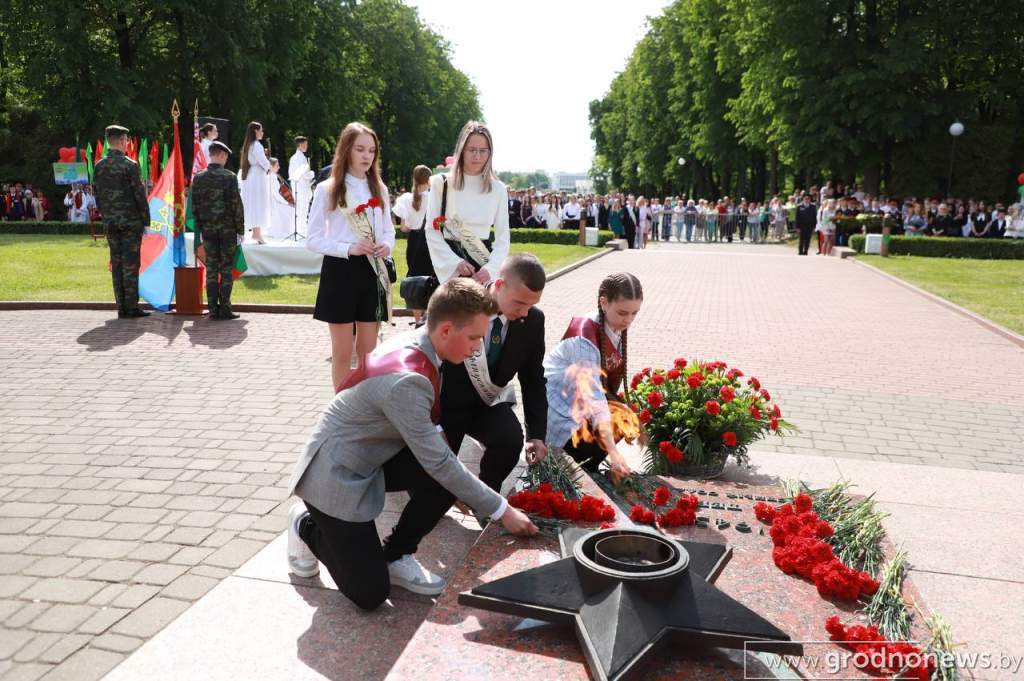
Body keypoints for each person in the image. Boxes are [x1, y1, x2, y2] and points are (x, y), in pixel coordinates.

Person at [286, 279, 538, 608]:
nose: (478, 348)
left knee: (447, 475)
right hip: (336, 473)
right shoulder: (408, 380)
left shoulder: (427, 345)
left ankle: (396, 555)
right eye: (474, 337)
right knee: (370, 594)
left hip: (373, 455)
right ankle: (305, 524)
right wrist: (503, 511)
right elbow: (439, 462)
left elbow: (439, 456)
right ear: (446, 329)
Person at [439, 254, 547, 505]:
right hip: (446, 405)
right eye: (519, 303)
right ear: (499, 286)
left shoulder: (533, 320)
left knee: (509, 438)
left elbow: (533, 379)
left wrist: (537, 434)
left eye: (531, 305)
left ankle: (485, 499)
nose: (523, 312)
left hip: (486, 402)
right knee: (435, 494)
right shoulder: (457, 305)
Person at [307, 122, 395, 390]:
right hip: (340, 272)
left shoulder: (379, 189)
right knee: (343, 352)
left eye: (371, 150)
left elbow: (389, 230)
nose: (366, 156)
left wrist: (386, 245)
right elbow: (312, 239)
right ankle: (341, 411)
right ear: (346, 150)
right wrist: (348, 248)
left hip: (372, 270)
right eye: (360, 149)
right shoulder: (328, 189)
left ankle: (365, 409)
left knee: (369, 353)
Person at [544, 272, 641, 479]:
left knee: (626, 418)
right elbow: (594, 402)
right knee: (611, 421)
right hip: (559, 410)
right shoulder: (584, 338)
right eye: (623, 313)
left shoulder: (611, 324)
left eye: (634, 313)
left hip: (579, 405)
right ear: (603, 303)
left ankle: (589, 466)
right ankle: (570, 465)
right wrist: (614, 453)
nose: (629, 320)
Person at [425, 121, 510, 285]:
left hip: (483, 268)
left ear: (490, 153)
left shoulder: (498, 189)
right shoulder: (440, 183)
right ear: (461, 150)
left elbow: (503, 238)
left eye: (483, 151)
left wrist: (490, 269)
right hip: (451, 266)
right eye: (472, 150)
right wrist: (454, 263)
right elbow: (431, 230)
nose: (477, 156)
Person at [93, 125, 151, 319]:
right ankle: (131, 307)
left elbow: (98, 197)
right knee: (131, 264)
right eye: (126, 140)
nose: (127, 144)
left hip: (110, 223)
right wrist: (146, 221)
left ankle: (121, 307)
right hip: (130, 223)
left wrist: (107, 215)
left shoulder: (99, 166)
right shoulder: (130, 165)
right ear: (120, 141)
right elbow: (139, 196)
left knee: (117, 264)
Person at [191, 141, 245, 320]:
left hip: (208, 230)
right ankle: (225, 309)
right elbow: (236, 206)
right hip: (227, 230)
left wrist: (200, 227)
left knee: (212, 269)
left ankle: (213, 308)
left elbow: (194, 207)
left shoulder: (198, 177)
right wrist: (241, 230)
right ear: (221, 155)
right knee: (226, 269)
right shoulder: (229, 177)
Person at [393, 164, 434, 323]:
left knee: (415, 279)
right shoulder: (434, 198)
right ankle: (429, 320)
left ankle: (418, 321)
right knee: (432, 279)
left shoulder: (406, 199)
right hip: (430, 241)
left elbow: (403, 227)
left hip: (414, 243)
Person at [239, 121, 272, 244]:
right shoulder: (256, 145)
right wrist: (270, 167)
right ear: (256, 131)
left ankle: (255, 232)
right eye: (261, 130)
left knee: (254, 202)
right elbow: (262, 160)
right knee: (258, 202)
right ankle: (257, 233)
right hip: (257, 177)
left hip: (253, 176)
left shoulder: (250, 145)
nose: (262, 132)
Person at [289, 136, 315, 237]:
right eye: (305, 144)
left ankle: (301, 228)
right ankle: (302, 229)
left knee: (300, 209)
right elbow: (304, 174)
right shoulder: (301, 158)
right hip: (302, 187)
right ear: (300, 145)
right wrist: (312, 173)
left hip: (297, 186)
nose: (307, 146)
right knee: (302, 209)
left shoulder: (293, 158)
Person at [266, 157, 295, 240]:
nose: (279, 167)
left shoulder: (271, 175)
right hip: (274, 203)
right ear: (271, 166)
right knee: (291, 208)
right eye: (277, 165)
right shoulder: (272, 177)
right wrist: (286, 203)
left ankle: (285, 230)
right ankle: (285, 231)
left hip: (274, 201)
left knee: (290, 207)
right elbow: (276, 195)